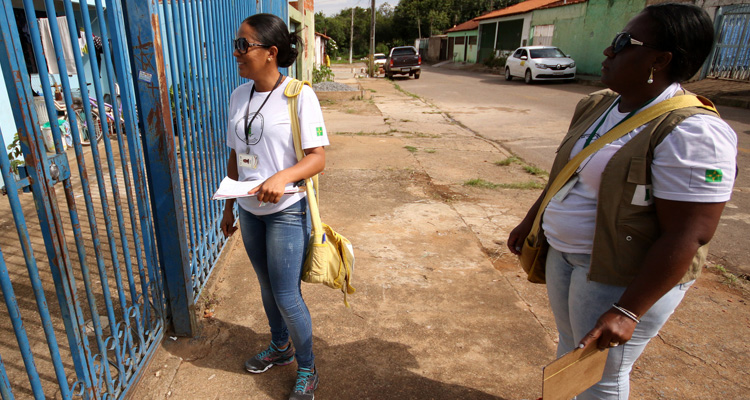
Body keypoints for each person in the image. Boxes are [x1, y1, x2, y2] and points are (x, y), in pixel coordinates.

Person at [507, 4, 737, 399]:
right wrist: (533, 219)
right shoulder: (600, 105)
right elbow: (566, 173)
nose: (607, 52)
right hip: (567, 257)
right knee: (571, 352)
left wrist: (628, 310)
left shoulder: (695, 132)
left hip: (620, 277)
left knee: (602, 377)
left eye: (622, 43)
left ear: (659, 60)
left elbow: (690, 232)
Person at [220, 13, 328, 400]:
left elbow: (317, 157)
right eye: (237, 44)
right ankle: (280, 348)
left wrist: (283, 177)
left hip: (288, 210)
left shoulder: (299, 95)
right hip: (250, 211)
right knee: (266, 287)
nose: (237, 52)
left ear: (271, 53)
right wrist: (230, 207)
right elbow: (236, 154)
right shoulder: (238, 95)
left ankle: (308, 367)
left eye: (244, 45)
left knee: (286, 294)